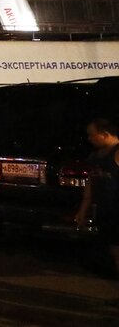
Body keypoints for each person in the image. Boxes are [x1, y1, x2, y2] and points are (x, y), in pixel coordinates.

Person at [75, 117, 119, 276]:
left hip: (116, 209)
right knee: (114, 251)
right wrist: (83, 209)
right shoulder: (95, 157)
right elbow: (90, 185)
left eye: (92, 135)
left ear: (105, 134)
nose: (89, 138)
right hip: (106, 210)